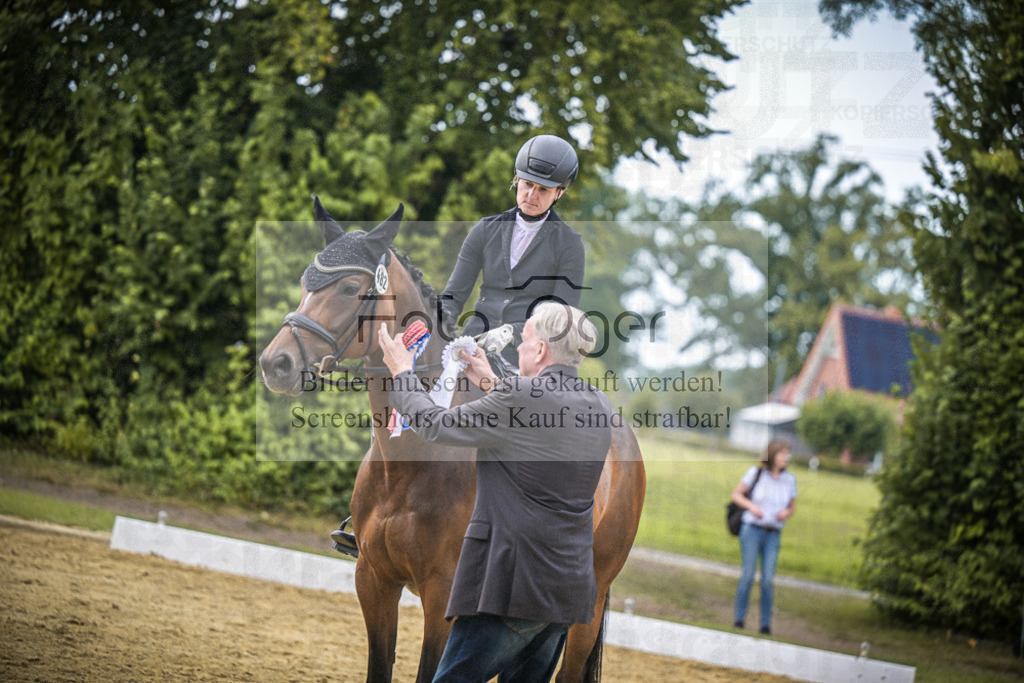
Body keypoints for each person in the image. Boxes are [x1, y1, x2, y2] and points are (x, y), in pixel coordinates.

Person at [377, 302, 611, 683]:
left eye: (525, 339)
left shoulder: (519, 397)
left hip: (512, 588)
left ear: (540, 351)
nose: (518, 347)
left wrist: (403, 373)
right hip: (566, 593)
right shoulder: (600, 406)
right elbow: (535, 424)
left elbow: (434, 424)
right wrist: (490, 381)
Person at [440, 134, 584, 367]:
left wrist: (511, 332)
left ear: (559, 193)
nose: (531, 195)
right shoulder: (486, 229)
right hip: (473, 345)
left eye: (543, 190)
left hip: (526, 359)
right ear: (517, 179)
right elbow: (453, 296)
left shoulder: (569, 244)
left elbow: (559, 319)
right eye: (527, 184)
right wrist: (430, 327)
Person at [730, 438, 797, 636]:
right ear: (773, 455)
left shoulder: (789, 480)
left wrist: (786, 513)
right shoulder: (756, 474)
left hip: (773, 532)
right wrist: (752, 507)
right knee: (748, 575)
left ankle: (765, 625)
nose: (786, 458)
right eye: (782, 454)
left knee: (768, 580)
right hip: (752, 529)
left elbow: (792, 506)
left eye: (787, 454)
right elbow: (737, 495)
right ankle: (739, 619)